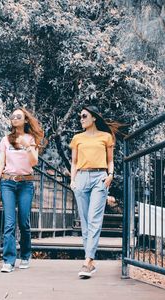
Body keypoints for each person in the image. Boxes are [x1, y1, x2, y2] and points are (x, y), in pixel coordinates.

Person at [70, 105, 121, 279]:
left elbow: (111, 160)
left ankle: (87, 260)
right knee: (85, 221)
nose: (81, 119)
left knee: (93, 218)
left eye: (84, 116)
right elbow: (74, 162)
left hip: (100, 177)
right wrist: (72, 180)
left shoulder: (105, 137)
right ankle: (90, 262)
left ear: (94, 118)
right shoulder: (77, 138)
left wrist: (110, 175)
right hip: (81, 178)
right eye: (80, 117)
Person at [0, 107, 44, 273]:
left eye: (18, 116)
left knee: (24, 223)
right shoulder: (6, 140)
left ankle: (26, 255)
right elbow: (1, 163)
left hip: (26, 184)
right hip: (7, 183)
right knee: (9, 223)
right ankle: (8, 260)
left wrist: (26, 145)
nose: (14, 118)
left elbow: (34, 162)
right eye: (12, 116)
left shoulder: (31, 138)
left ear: (25, 120)